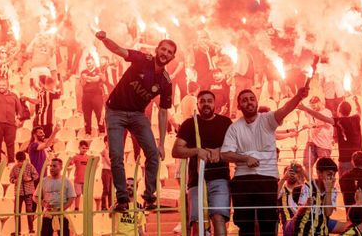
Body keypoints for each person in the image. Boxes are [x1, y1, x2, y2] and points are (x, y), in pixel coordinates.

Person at [95, 30, 176, 211]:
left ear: (172, 57)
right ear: (157, 50)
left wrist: (162, 143)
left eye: (169, 52)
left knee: (153, 154)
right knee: (116, 155)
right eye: (163, 49)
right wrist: (104, 39)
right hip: (115, 111)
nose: (165, 54)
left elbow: (163, 112)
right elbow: (118, 50)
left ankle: (149, 197)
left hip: (137, 115)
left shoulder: (165, 81)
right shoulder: (142, 59)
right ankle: (122, 199)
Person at [220, 86, 309, 236]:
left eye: (252, 99)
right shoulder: (234, 128)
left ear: (256, 102)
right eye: (244, 100)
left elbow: (285, 109)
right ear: (239, 105)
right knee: (244, 224)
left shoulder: (268, 119)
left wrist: (298, 96)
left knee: (268, 222)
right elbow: (225, 154)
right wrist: (245, 158)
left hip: (267, 179)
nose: (249, 102)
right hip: (242, 180)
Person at [172, 90, 232, 236]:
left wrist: (219, 151)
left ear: (214, 103)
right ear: (197, 104)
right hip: (196, 180)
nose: (206, 104)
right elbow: (176, 151)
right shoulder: (189, 124)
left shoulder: (225, 122)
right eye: (202, 101)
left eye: (209, 101)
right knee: (196, 221)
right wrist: (197, 151)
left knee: (219, 218)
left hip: (220, 178)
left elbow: (236, 148)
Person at [301, 97, 362, 177]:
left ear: (338, 110)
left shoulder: (339, 121)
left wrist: (306, 109)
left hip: (345, 160)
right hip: (358, 159)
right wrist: (356, 101)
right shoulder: (356, 118)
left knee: (344, 182)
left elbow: (322, 118)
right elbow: (359, 110)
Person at [291, 157, 339, 236]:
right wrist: (306, 205)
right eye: (329, 174)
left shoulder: (332, 190)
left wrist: (328, 191)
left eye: (334, 175)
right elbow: (298, 213)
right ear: (319, 173)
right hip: (304, 232)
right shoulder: (308, 187)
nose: (333, 178)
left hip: (322, 232)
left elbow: (328, 213)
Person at [34, 158, 76, 236]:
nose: (51, 168)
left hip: (62, 213)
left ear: (60, 167)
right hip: (48, 213)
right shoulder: (44, 180)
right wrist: (44, 204)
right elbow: (35, 197)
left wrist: (62, 208)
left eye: (54, 166)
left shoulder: (66, 181)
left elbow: (71, 197)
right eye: (50, 166)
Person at [296, 96, 334, 175]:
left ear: (320, 103)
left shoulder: (327, 112)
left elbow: (325, 122)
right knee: (307, 163)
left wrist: (312, 126)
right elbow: (301, 106)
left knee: (325, 167)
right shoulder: (310, 111)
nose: (313, 107)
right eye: (311, 105)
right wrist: (299, 97)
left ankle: (326, 184)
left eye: (315, 104)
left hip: (323, 144)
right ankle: (310, 183)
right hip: (311, 142)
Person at [9, 151, 39, 235]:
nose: (20, 163)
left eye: (21, 161)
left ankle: (31, 229)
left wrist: (29, 178)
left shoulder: (30, 166)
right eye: (18, 161)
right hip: (18, 193)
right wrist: (15, 180)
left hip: (28, 192)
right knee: (16, 211)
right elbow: (10, 178)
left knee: (29, 210)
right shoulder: (14, 168)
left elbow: (36, 175)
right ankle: (17, 230)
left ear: (25, 160)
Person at [277, 163, 306, 235]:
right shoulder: (282, 189)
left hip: (303, 221)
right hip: (288, 223)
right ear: (285, 174)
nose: (292, 174)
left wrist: (299, 180)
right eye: (290, 172)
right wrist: (283, 178)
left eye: (295, 172)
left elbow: (310, 192)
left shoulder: (302, 189)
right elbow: (275, 195)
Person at [80, 56, 105, 136]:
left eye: (90, 63)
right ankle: (88, 132)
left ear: (93, 62)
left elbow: (96, 79)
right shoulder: (83, 71)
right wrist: (85, 79)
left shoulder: (98, 70)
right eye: (87, 63)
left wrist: (87, 77)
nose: (88, 65)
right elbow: (83, 84)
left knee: (99, 114)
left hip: (96, 95)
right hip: (86, 96)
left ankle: (101, 131)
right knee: (87, 115)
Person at [71, 140, 90, 211]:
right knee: (78, 194)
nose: (84, 150)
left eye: (86, 148)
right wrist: (71, 161)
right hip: (78, 179)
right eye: (83, 148)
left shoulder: (89, 157)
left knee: (86, 195)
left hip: (86, 180)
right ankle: (76, 208)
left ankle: (87, 208)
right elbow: (70, 163)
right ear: (79, 148)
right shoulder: (75, 157)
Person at [100, 135, 112, 211]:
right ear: (105, 142)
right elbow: (108, 161)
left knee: (111, 190)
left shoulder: (111, 150)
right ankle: (103, 206)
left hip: (111, 171)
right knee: (106, 189)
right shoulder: (105, 151)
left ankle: (110, 206)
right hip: (106, 170)